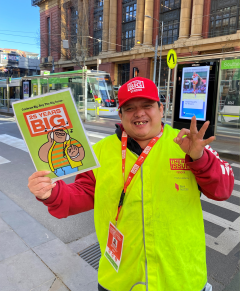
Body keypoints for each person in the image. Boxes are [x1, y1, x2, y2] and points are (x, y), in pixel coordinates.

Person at [28, 77, 234, 291]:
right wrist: (50, 193)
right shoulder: (99, 152)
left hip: (181, 279)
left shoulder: (188, 143)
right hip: (120, 280)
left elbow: (223, 189)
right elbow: (83, 194)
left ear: (161, 109)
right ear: (120, 114)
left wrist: (200, 158)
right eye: (130, 108)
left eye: (147, 106)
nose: (139, 113)